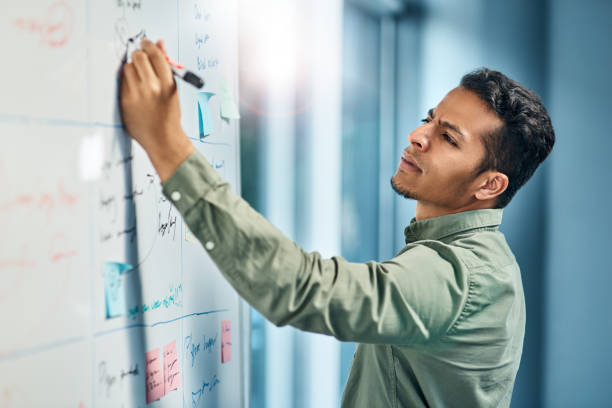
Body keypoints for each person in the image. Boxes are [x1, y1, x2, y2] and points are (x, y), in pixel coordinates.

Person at [120, 38, 555, 407]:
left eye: (448, 138)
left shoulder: (458, 278)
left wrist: (166, 143)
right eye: (429, 119)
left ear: (489, 184)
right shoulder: (481, 263)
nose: (418, 136)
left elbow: (302, 288)